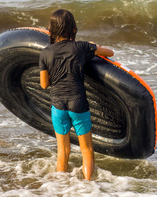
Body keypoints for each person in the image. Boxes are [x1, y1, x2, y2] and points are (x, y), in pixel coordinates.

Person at [39, 9, 114, 180]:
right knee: (86, 150)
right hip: (77, 103)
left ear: (52, 29)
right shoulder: (81, 47)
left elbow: (44, 85)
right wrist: (92, 46)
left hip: (57, 104)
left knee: (63, 151)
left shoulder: (46, 52)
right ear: (73, 29)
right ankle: (88, 188)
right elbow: (110, 53)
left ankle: (61, 186)